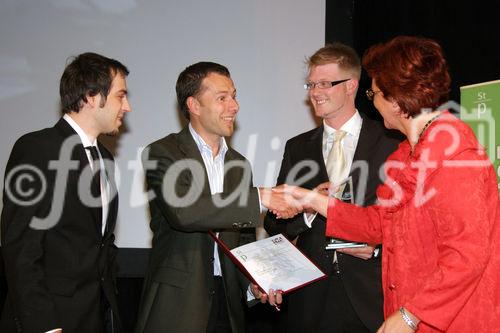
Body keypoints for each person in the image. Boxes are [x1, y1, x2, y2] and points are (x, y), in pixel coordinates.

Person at [282, 36, 500, 332]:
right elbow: (378, 224)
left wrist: (411, 315)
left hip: (450, 320)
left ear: (396, 99)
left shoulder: (453, 153)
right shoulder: (408, 154)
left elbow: (466, 255)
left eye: (374, 95)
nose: (373, 103)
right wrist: (312, 200)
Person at [135, 61, 299, 333]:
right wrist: (261, 198)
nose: (234, 106)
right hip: (177, 307)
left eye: (234, 96)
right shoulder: (162, 152)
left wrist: (254, 284)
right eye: (222, 98)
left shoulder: (239, 165)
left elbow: (241, 244)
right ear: (194, 105)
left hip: (227, 308)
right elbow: (184, 212)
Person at [263, 43, 401, 333]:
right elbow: (274, 222)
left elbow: (407, 221)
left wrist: (376, 248)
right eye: (311, 84)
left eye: (325, 83)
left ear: (351, 85)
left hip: (372, 296)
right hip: (311, 299)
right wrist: (311, 210)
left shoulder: (390, 143)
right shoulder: (298, 147)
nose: (315, 92)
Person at [0, 52, 131, 333]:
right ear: (91, 97)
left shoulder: (106, 159)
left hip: (97, 318)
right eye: (121, 96)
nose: (127, 107)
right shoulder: (36, 149)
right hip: (51, 321)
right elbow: (20, 248)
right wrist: (44, 325)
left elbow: (101, 243)